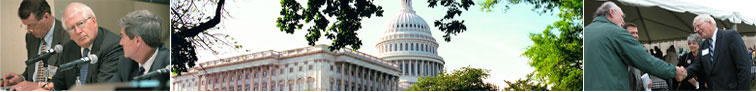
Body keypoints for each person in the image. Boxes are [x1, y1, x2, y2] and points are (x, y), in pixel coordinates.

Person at [585, 1, 687, 90]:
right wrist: (674, 71)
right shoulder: (617, 32)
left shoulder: (585, 32)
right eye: (622, 16)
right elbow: (646, 61)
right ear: (612, 12)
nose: (623, 21)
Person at [44, 2, 124, 91]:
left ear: (94, 21)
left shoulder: (112, 47)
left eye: (81, 23)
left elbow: (102, 88)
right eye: (72, 28)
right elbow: (60, 79)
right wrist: (49, 88)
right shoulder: (69, 47)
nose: (78, 31)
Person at [1, 0, 70, 91]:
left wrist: (38, 85)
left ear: (46, 17)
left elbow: (66, 79)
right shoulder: (31, 37)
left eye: (32, 25)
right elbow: (34, 70)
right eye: (26, 25)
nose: (29, 30)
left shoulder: (67, 36)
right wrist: (21, 78)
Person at [684, 14, 752, 90]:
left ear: (709, 22)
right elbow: (697, 65)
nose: (696, 30)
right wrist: (682, 72)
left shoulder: (730, 36)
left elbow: (744, 66)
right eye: (695, 28)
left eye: (698, 26)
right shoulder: (703, 45)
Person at [115, 10, 169, 90]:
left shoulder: (167, 66)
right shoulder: (125, 63)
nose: (120, 43)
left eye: (123, 37)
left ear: (137, 40)